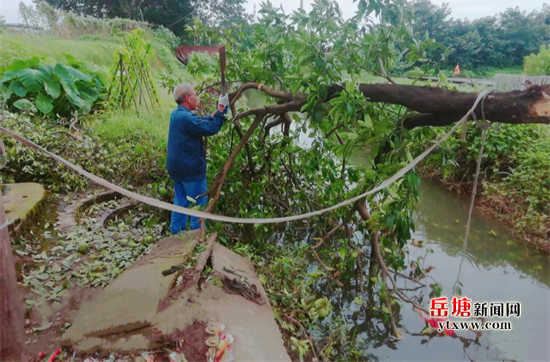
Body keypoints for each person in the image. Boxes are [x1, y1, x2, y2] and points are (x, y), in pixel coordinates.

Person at [166, 83, 229, 233]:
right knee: (198, 204)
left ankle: (176, 233)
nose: (197, 98)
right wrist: (221, 109)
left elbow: (198, 122)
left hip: (176, 169)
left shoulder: (176, 115)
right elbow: (210, 128)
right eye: (195, 95)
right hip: (190, 170)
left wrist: (214, 115)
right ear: (188, 98)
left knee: (180, 201)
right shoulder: (187, 118)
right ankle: (197, 235)